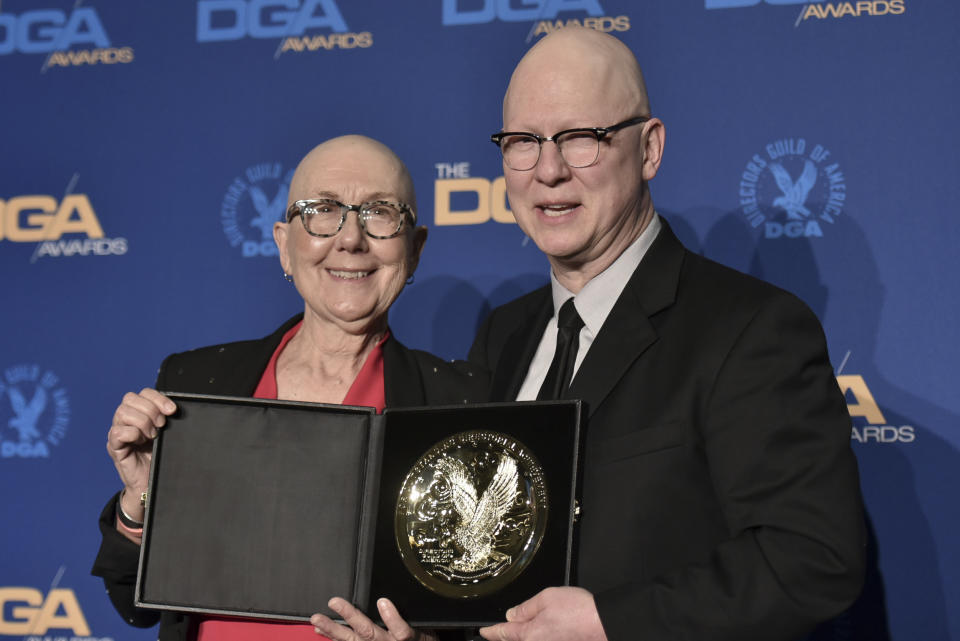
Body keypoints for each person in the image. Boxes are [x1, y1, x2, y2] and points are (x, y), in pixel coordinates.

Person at [467, 27, 866, 641]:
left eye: (581, 139)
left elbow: (810, 559)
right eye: (524, 141)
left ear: (649, 148)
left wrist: (610, 622)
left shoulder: (752, 329)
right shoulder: (504, 334)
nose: (547, 171)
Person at [91, 135, 487, 641]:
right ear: (284, 243)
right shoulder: (195, 384)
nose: (350, 239)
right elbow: (135, 604)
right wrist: (143, 495)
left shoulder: (462, 401)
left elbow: (486, 609)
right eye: (322, 211)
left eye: (381, 213)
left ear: (414, 249)